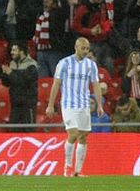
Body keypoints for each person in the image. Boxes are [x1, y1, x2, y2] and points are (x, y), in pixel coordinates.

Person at [46, 37, 104, 177]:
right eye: (83, 48)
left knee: (83, 136)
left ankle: (78, 171)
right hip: (68, 104)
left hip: (84, 104)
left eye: (87, 49)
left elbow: (95, 84)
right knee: (73, 134)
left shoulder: (91, 65)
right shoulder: (64, 63)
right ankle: (67, 167)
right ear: (76, 47)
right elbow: (56, 84)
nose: (86, 51)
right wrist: (50, 105)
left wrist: (99, 104)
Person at [1, 41, 38, 132]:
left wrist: (10, 73)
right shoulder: (12, 64)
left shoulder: (32, 65)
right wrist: (4, 74)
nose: (11, 52)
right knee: (13, 131)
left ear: (21, 52)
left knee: (28, 132)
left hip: (28, 104)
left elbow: (23, 82)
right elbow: (6, 83)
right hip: (15, 104)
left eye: (14, 50)